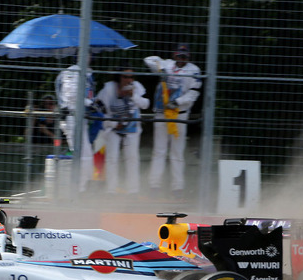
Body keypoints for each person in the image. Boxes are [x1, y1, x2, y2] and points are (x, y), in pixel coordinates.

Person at [144, 43, 202, 198]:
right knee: (159, 150)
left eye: (184, 56)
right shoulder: (167, 64)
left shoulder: (194, 70)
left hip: (179, 114)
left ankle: (177, 188)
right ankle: (154, 186)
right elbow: (148, 59)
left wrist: (177, 102)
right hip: (162, 113)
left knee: (177, 152)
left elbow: (193, 94)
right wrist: (161, 69)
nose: (181, 59)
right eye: (179, 55)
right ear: (174, 54)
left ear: (188, 57)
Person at [94, 65, 149, 195]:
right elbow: (98, 109)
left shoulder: (137, 87)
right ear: (119, 77)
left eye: (131, 76)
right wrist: (113, 124)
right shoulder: (109, 89)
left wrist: (134, 96)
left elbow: (146, 104)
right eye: (125, 77)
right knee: (112, 158)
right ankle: (111, 190)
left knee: (132, 158)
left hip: (132, 128)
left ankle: (133, 191)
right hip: (113, 128)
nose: (129, 80)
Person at [55, 55, 96, 192]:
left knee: (86, 153)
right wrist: (90, 104)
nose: (90, 57)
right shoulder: (72, 72)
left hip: (80, 117)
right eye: (87, 54)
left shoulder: (85, 72)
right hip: (71, 117)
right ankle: (79, 189)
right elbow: (71, 96)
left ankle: (84, 186)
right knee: (82, 154)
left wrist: (92, 104)